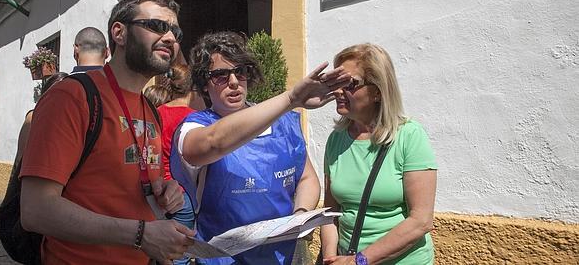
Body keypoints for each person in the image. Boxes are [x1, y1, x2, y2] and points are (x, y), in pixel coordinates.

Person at [19, 0, 195, 264]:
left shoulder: (151, 111)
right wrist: (141, 235)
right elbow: (36, 209)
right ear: (119, 33)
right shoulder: (71, 98)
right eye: (157, 26)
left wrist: (166, 190)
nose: (170, 37)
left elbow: (134, 186)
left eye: (175, 31)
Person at [170, 31, 351, 265]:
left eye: (240, 72)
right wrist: (291, 99)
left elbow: (306, 178)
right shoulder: (196, 126)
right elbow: (212, 143)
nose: (234, 82)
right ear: (205, 84)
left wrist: (300, 215)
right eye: (220, 76)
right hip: (223, 259)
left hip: (282, 257)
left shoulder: (283, 123)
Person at [321, 43, 438, 265]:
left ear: (377, 91)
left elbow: (421, 221)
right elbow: (330, 213)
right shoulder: (336, 140)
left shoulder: (409, 136)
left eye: (349, 84)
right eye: (336, 82)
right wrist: (330, 257)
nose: (337, 91)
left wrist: (360, 261)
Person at [157, 64, 200, 265]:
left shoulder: (156, 112)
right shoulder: (194, 118)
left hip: (156, 190)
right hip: (183, 193)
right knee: (179, 254)